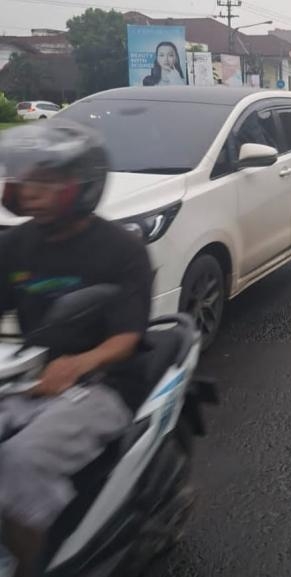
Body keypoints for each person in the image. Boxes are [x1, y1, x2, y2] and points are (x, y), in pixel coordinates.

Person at [0, 119, 153, 577]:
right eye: (26, 180)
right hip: (32, 376)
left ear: (81, 184)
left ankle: (35, 564)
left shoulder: (121, 249)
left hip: (104, 383)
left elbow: (127, 338)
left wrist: (78, 364)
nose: (32, 193)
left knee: (20, 459)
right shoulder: (15, 244)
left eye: (47, 181)